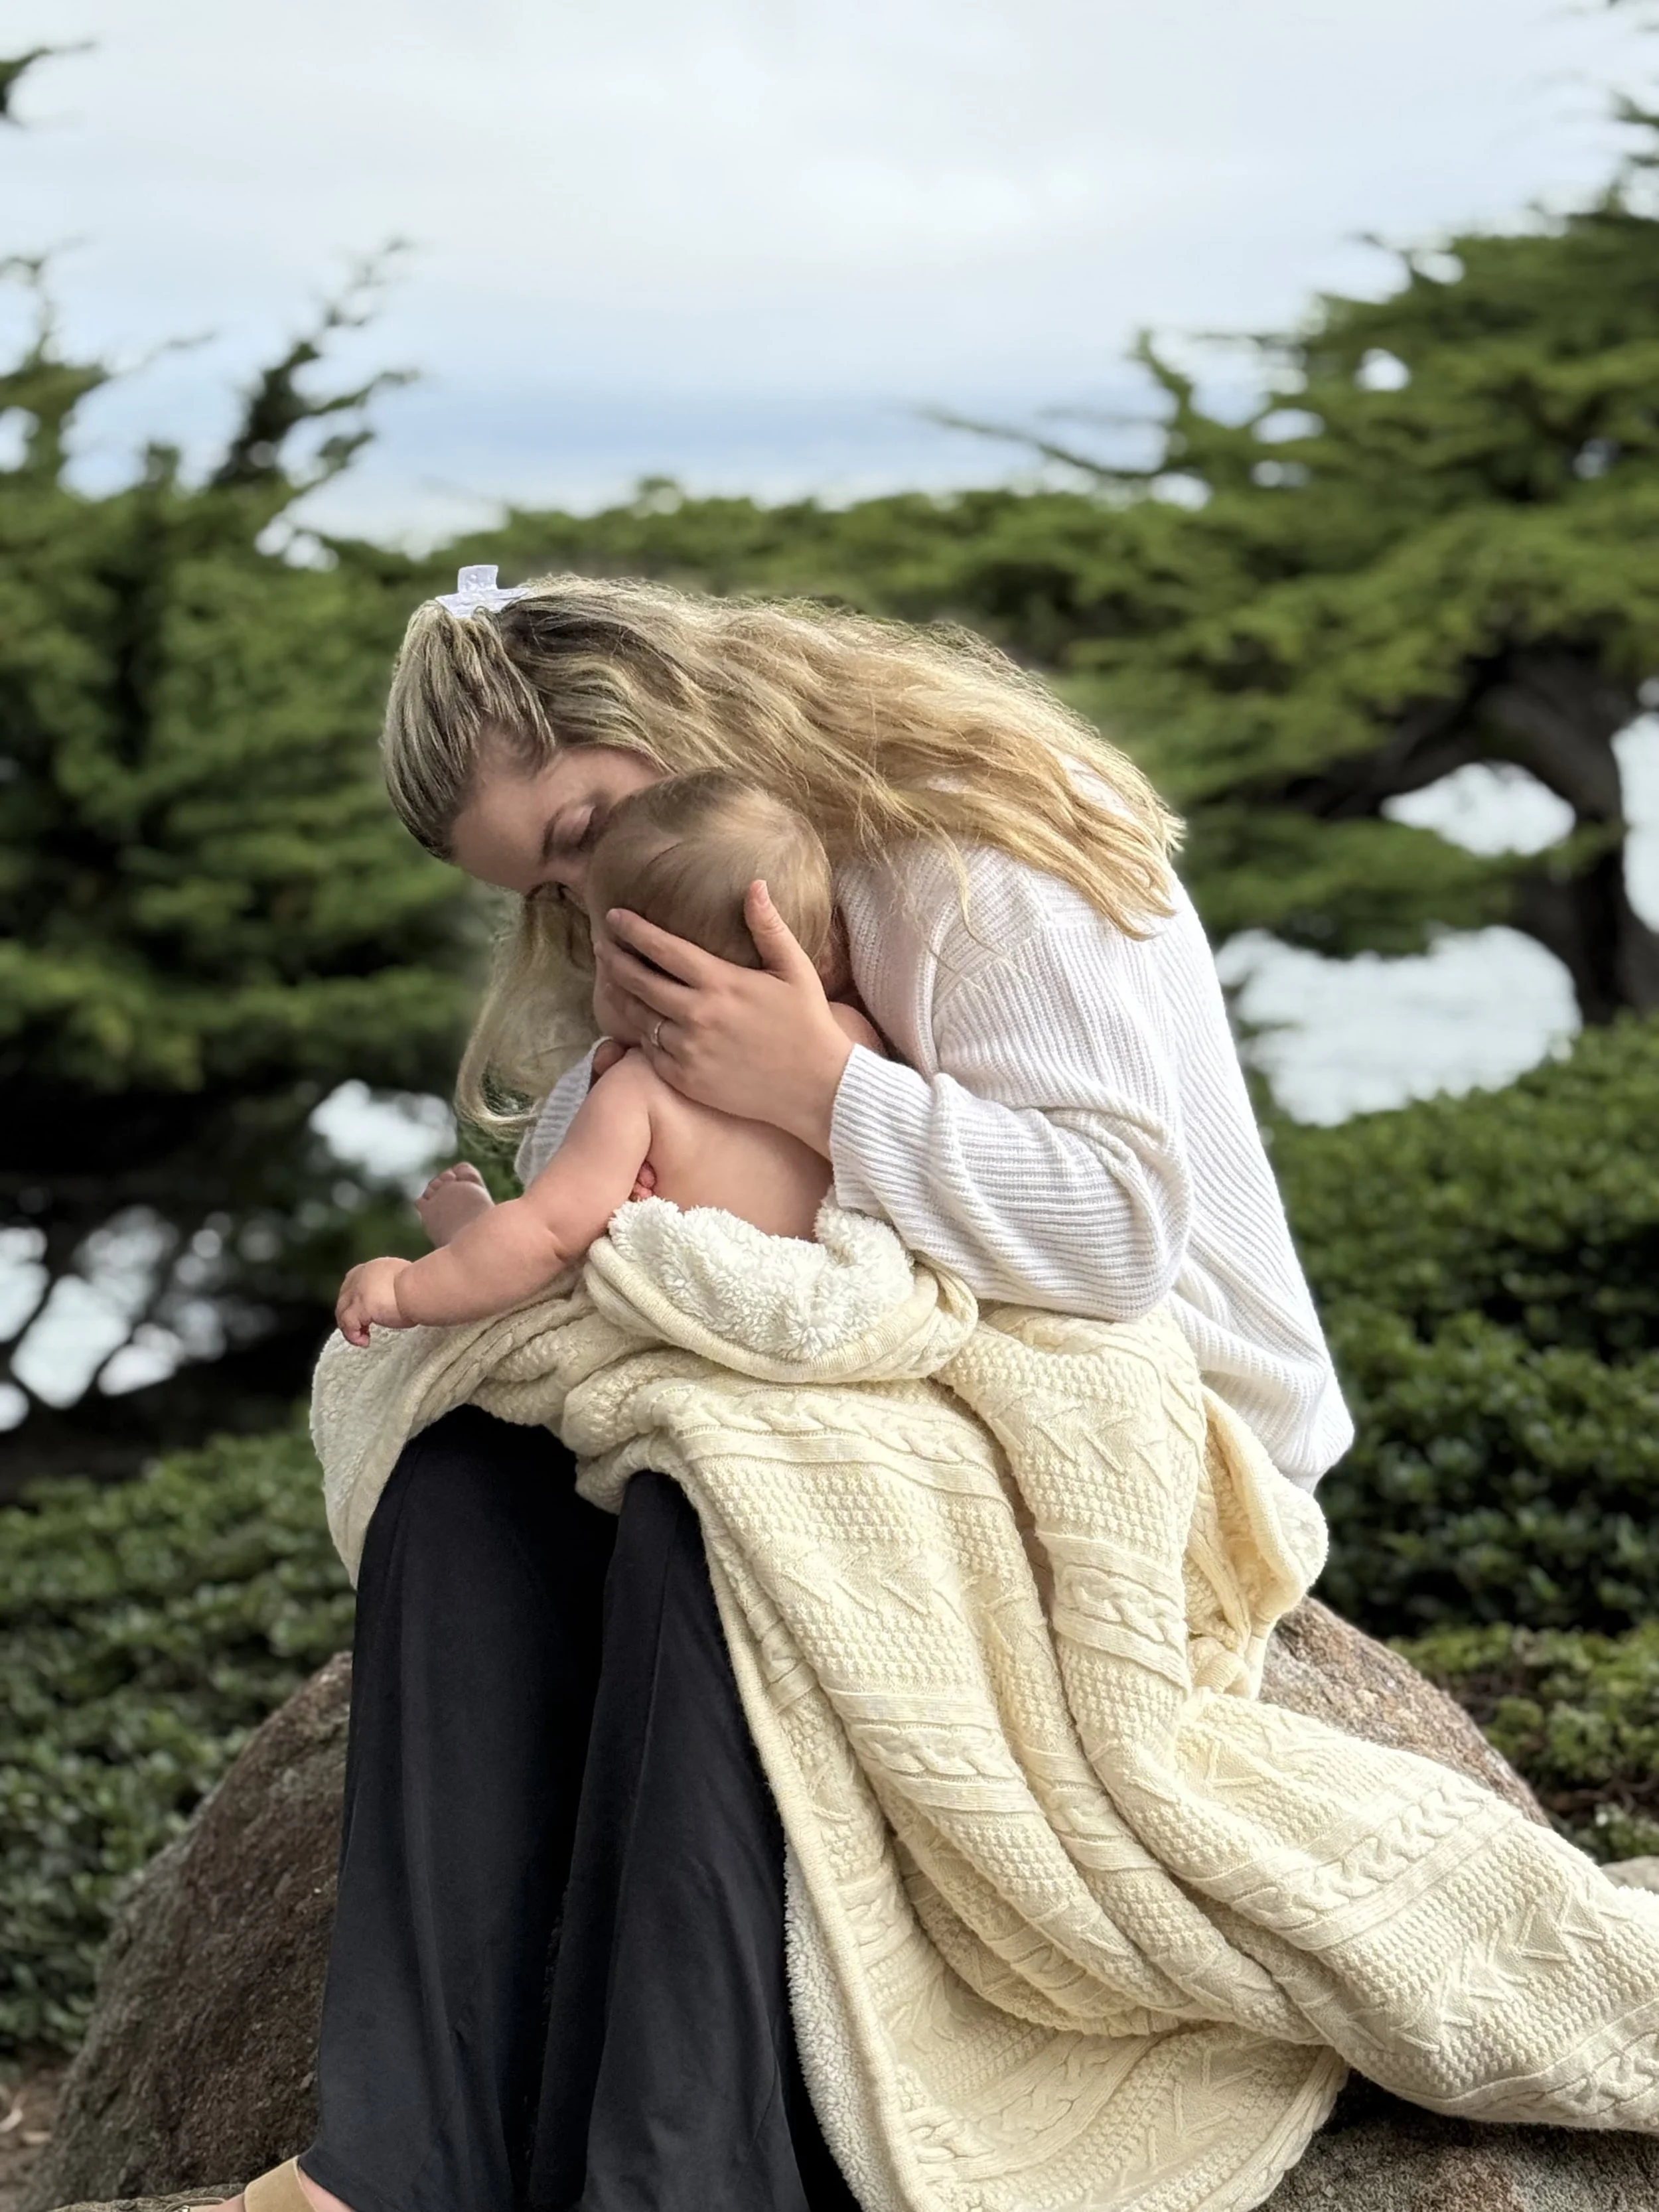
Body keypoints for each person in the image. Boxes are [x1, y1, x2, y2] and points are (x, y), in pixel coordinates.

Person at [220, 566, 1352, 2212]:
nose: (586, 910)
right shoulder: (667, 893)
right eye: (545, 892)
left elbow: (1115, 1240)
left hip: (1137, 1398)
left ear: (655, 721)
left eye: (579, 832)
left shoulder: (977, 850)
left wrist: (828, 1086)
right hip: (870, 1367)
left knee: (725, 1500)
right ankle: (398, 2162)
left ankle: (674, 2173)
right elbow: (598, 1176)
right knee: (463, 1474)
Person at [332, 772, 885, 1348]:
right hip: (827, 1328)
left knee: (542, 1269)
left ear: (638, 979)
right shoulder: (850, 1040)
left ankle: (471, 1226)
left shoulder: (640, 1093)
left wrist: (407, 1290)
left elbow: (545, 1235)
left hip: (703, 1342)